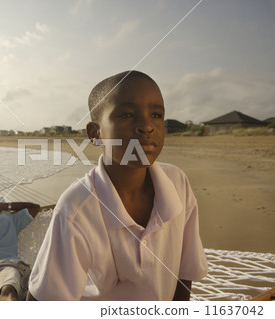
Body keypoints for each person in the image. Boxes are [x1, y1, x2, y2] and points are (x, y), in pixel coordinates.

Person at [27, 70, 208, 301]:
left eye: (156, 114)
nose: (146, 126)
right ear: (96, 134)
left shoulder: (177, 183)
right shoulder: (77, 208)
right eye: (126, 115)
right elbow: (43, 300)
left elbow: (184, 271)